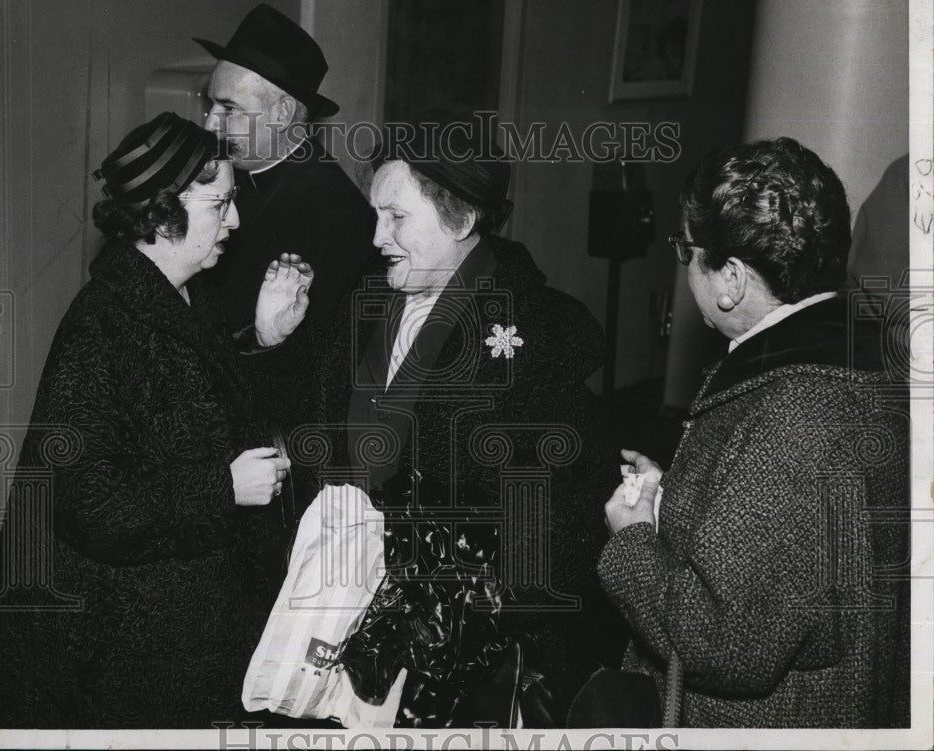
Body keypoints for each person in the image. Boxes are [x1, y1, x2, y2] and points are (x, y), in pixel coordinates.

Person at [268, 117, 623, 727]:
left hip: (459, 644)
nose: (377, 236)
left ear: (461, 220)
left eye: (397, 217)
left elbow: (561, 517)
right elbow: (311, 429)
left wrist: (474, 611)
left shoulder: (534, 331)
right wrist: (276, 337)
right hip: (346, 608)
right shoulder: (365, 301)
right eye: (376, 215)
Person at [0, 113, 309, 728]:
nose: (235, 220)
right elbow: (86, 501)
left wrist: (261, 336)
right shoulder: (105, 325)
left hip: (174, 630)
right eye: (221, 202)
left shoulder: (186, 294)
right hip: (118, 648)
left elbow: (196, 410)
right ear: (162, 209)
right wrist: (222, 489)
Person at [597, 137, 910, 727]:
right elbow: (786, 553)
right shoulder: (870, 367)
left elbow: (723, 643)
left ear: (731, 280)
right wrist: (678, 503)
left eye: (686, 248)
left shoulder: (789, 413)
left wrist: (634, 538)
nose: (682, 260)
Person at [194, 3, 376, 334]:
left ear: (281, 114)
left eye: (229, 108)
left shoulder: (336, 215)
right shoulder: (231, 171)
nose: (210, 125)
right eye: (211, 105)